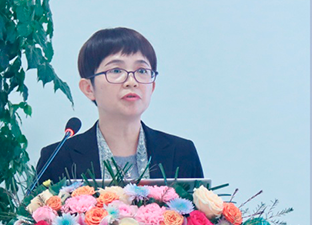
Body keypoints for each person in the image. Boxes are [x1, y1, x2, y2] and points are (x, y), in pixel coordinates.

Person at [36, 28, 203, 183]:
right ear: (89, 88)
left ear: (152, 87)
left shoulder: (182, 153)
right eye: (116, 71)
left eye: (142, 71)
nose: (131, 82)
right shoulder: (57, 158)